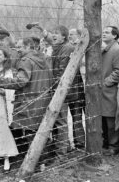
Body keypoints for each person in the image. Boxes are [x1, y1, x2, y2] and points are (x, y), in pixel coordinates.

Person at [0, 37, 52, 150]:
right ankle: (42, 161)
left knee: (30, 133)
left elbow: (21, 81)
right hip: (42, 100)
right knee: (40, 132)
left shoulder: (25, 61)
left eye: (19, 47)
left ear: (28, 47)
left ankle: (35, 163)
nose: (17, 50)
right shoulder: (43, 58)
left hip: (28, 102)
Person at [44, 25, 85, 160]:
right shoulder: (58, 48)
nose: (54, 35)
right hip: (65, 90)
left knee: (62, 121)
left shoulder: (67, 49)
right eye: (53, 33)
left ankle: (62, 153)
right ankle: (68, 147)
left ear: (64, 37)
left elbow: (61, 73)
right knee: (63, 120)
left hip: (65, 91)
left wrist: (51, 87)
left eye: (57, 33)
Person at [101, 26, 119, 156]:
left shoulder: (118, 50)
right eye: (103, 32)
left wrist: (106, 83)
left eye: (107, 32)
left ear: (115, 36)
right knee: (104, 119)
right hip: (103, 92)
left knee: (112, 120)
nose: (103, 34)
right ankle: (106, 144)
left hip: (111, 91)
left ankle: (114, 146)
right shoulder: (105, 49)